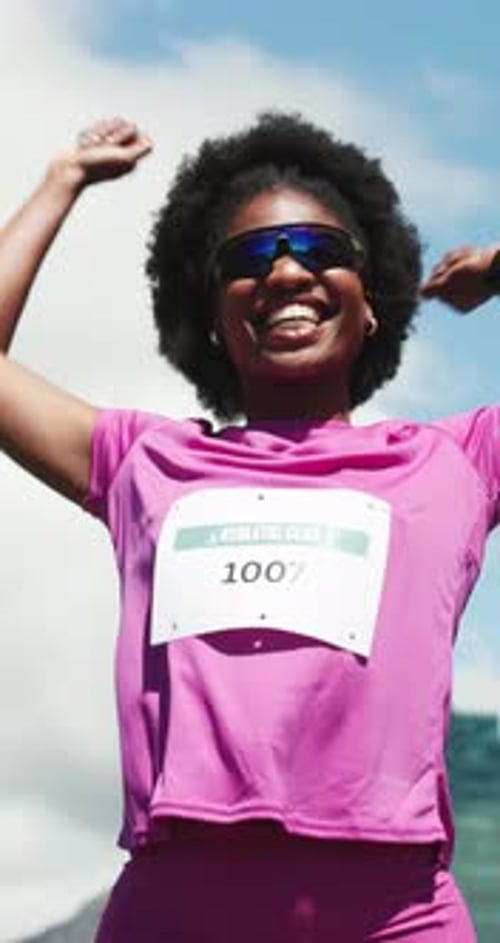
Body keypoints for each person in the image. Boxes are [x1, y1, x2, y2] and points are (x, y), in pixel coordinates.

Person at [1, 112, 497, 943]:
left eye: (323, 250)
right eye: (249, 258)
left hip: (395, 914)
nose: (288, 270)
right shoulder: (144, 462)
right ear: (214, 320)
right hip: (175, 911)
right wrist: (63, 180)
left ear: (371, 304)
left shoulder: (456, 461)